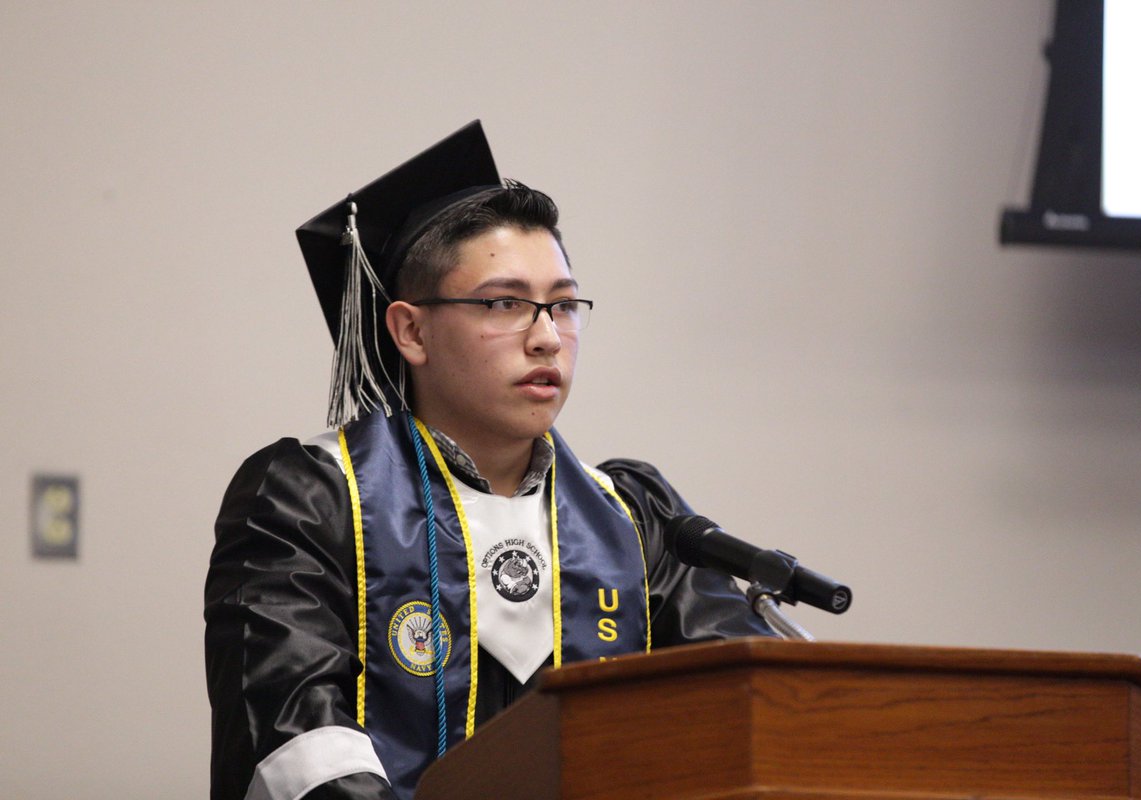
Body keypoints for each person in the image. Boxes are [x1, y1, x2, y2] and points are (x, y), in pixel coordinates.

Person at [204, 121, 775, 800]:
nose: (546, 338)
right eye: (506, 303)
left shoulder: (633, 519)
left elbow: (754, 708)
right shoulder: (311, 498)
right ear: (411, 330)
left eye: (563, 307)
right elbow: (295, 743)